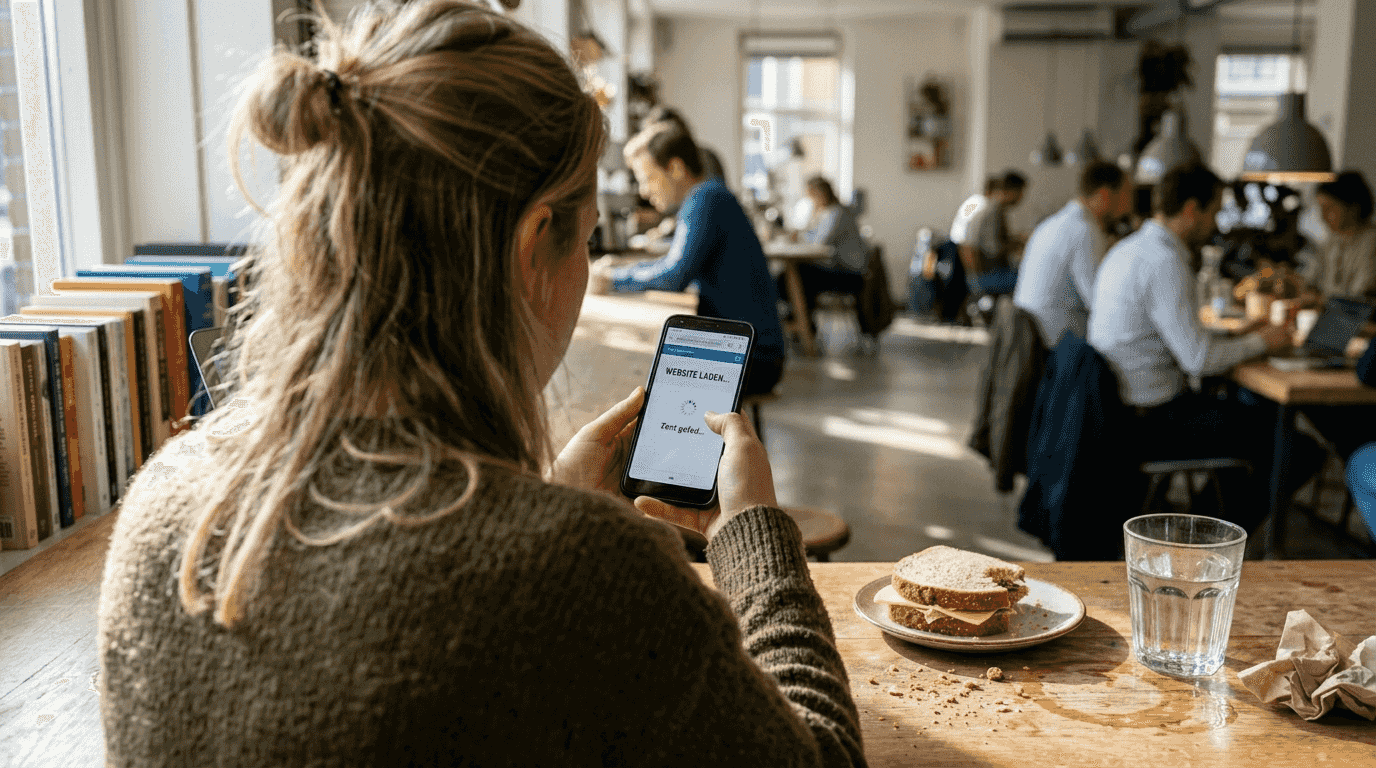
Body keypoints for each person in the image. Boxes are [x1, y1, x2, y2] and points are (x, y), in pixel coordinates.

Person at [96, 4, 864, 767]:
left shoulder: (160, 504)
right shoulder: (586, 572)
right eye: (587, 235)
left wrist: (548, 501)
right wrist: (755, 533)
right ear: (535, 246)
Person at [1089, 163, 1320, 532]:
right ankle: (1211, 536)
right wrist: (1264, 340)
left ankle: (1205, 516)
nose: (1216, 224)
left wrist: (1240, 334)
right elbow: (1198, 360)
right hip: (1152, 422)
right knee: (1297, 447)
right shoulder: (1164, 260)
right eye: (1214, 212)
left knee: (1253, 414)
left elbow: (1181, 340)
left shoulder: (1130, 249)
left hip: (1124, 410)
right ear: (1192, 210)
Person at [591, 122, 786, 396]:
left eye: (648, 177)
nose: (644, 191)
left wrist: (612, 279)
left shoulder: (706, 198)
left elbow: (674, 275)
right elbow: (673, 263)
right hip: (749, 351)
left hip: (754, 360)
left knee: (631, 378)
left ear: (676, 168)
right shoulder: (710, 195)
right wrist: (623, 271)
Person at [1013, 161, 1134, 348]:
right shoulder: (1084, 231)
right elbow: (1100, 303)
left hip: (1030, 340)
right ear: (1105, 195)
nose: (1131, 202)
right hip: (1058, 349)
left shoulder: (1054, 223)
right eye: (1127, 194)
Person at [776, 175, 867, 334]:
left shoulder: (837, 213)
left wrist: (800, 235)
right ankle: (802, 324)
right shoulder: (826, 212)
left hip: (849, 275)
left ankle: (802, 325)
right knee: (794, 275)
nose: (812, 200)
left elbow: (820, 243)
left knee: (796, 276)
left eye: (812, 196)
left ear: (821, 194)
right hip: (839, 269)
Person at [1305, 170, 1376, 300]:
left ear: (1354, 207)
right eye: (1321, 209)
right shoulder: (1332, 241)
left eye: (1330, 208)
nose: (1323, 216)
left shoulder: (1371, 242)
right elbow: (1311, 282)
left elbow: (1360, 296)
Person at [960, 169, 1027, 297]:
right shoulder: (990, 211)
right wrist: (1016, 244)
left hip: (985, 274)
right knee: (1032, 278)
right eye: (1021, 192)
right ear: (1012, 191)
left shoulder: (992, 208)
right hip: (984, 277)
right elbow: (989, 249)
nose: (1022, 197)